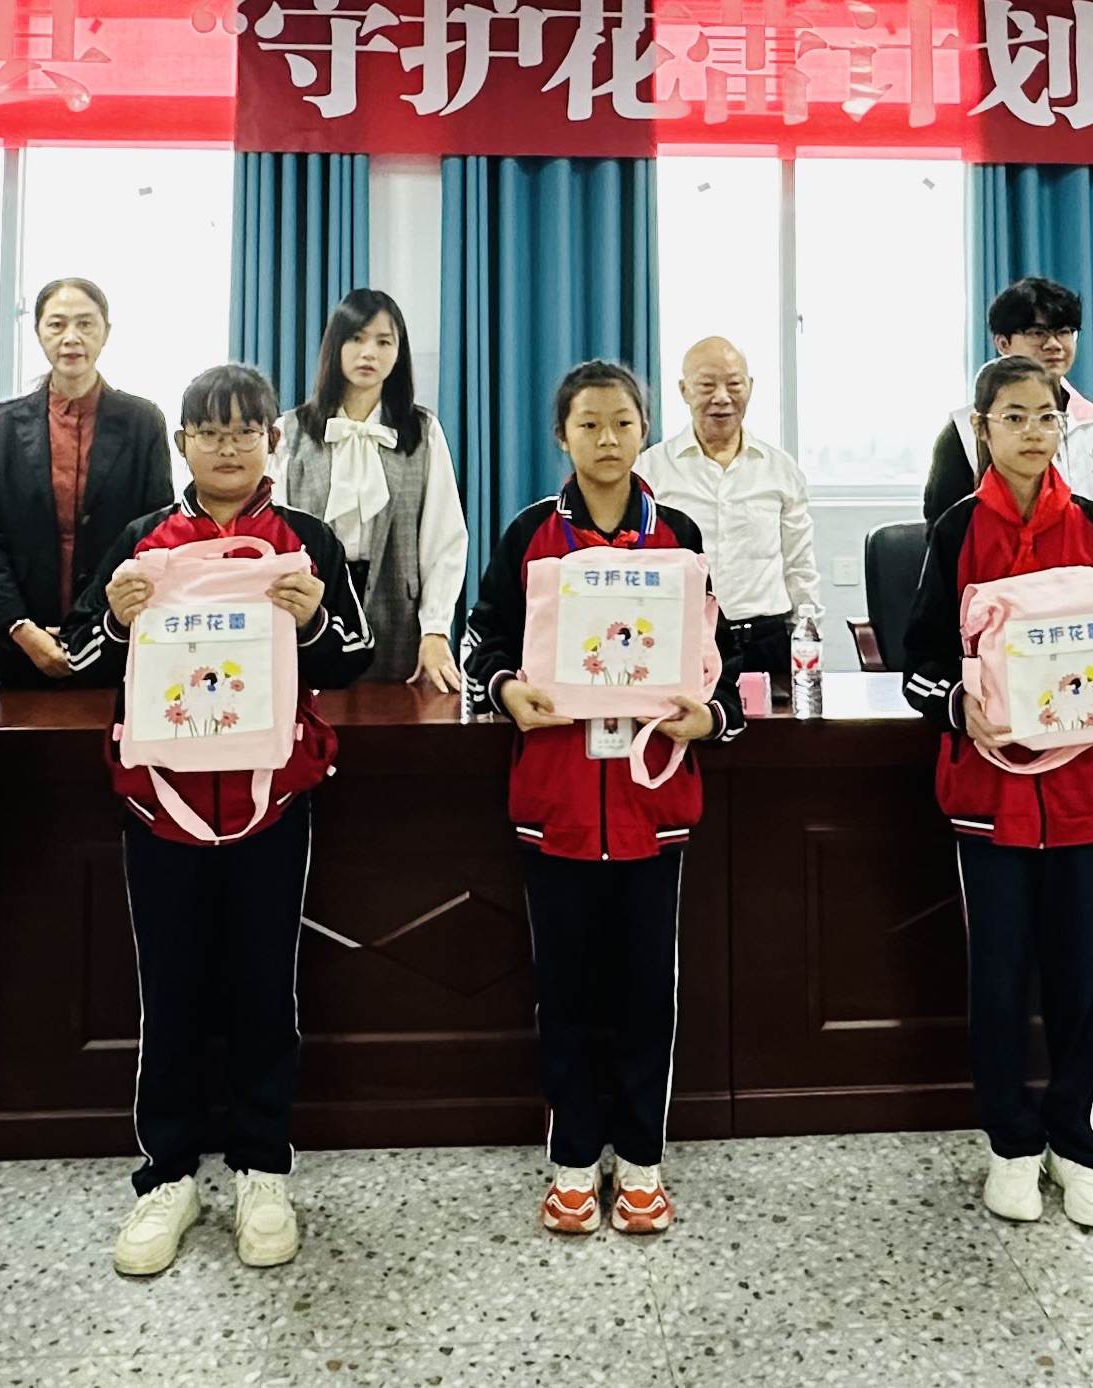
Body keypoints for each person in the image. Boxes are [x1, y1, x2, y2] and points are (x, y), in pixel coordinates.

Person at [56, 364, 379, 1277]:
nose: (228, 446)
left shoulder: (304, 539)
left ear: (271, 442)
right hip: (162, 805)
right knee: (171, 987)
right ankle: (167, 1172)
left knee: (264, 985)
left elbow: (354, 658)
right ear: (183, 444)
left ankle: (262, 1165)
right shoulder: (141, 541)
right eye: (209, 431)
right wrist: (116, 623)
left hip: (271, 801)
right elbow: (84, 658)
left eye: (245, 431)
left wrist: (314, 618)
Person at [468, 360, 735, 1235]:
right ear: (562, 436)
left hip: (653, 804)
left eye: (623, 423)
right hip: (558, 802)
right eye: (589, 425)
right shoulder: (529, 535)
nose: (608, 440)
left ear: (643, 430)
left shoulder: (680, 535)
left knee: (647, 990)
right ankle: (575, 1159)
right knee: (568, 988)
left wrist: (710, 717)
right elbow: (488, 644)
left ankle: (645, 1160)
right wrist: (508, 689)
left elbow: (712, 659)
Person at [902, 353, 1093, 1231]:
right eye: (1013, 417)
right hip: (991, 795)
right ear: (983, 429)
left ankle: (1079, 1145)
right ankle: (1009, 1144)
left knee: (1084, 980)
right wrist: (957, 703)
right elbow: (919, 665)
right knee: (1000, 978)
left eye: (1045, 417)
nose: (1032, 433)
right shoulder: (952, 531)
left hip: (1088, 788)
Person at [0, 277, 175, 690]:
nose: (71, 338)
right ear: (39, 332)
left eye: (85, 324)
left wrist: (103, 623)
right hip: (24, 643)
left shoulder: (142, 421)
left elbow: (155, 537)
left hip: (117, 636)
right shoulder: (5, 424)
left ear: (106, 332)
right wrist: (19, 627)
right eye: (57, 325)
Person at [279, 287, 471, 694]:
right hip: (312, 613)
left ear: (399, 353)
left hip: (399, 617)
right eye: (357, 338)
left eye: (384, 341)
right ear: (335, 345)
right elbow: (275, 535)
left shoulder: (422, 431)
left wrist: (435, 629)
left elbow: (445, 539)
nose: (370, 352)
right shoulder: (291, 431)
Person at [922, 275, 1093, 570]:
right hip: (998, 602)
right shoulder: (966, 429)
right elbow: (945, 537)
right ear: (1003, 343)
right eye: (1036, 332)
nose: (1054, 344)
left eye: (1065, 331)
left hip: (1091, 604)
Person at [642, 335, 821, 686]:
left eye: (734, 384)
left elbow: (800, 566)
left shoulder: (780, 469)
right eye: (707, 385)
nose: (722, 397)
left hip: (767, 640)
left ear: (750, 387)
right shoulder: (650, 471)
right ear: (683, 390)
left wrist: (809, 640)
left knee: (776, 740)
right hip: (683, 639)